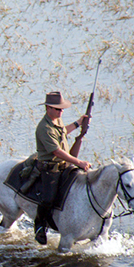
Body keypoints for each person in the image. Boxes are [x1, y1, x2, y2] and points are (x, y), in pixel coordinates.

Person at [34, 91, 91, 245]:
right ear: (48, 108)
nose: (61, 111)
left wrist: (79, 123)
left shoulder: (56, 121)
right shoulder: (44, 128)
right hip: (50, 169)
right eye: (58, 109)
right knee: (48, 199)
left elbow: (63, 132)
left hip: (64, 166)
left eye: (62, 109)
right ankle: (40, 225)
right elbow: (57, 152)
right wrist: (78, 162)